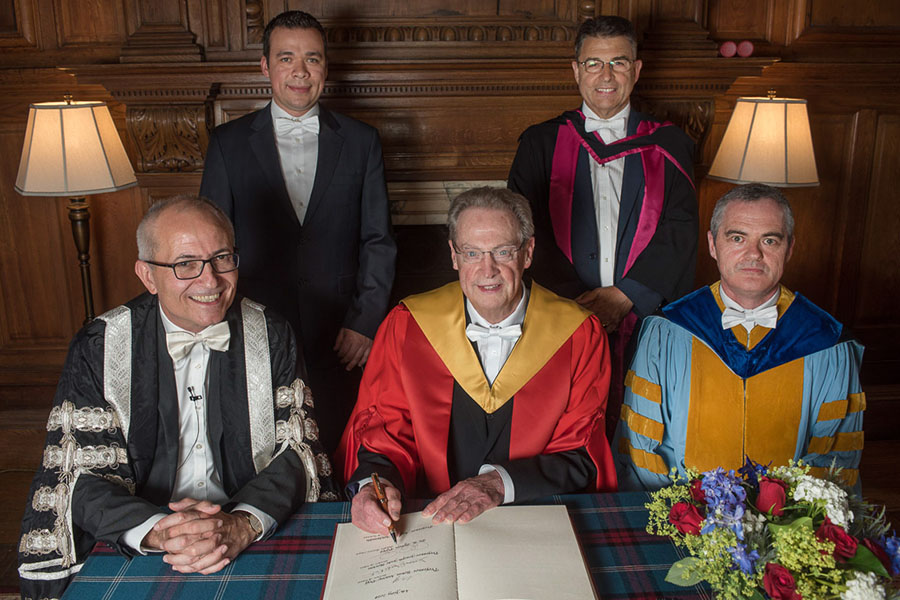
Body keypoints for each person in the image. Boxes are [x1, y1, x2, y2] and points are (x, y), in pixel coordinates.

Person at [18, 196, 337, 600]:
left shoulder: (270, 334)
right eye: (185, 264)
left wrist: (240, 524)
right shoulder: (100, 346)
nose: (211, 281)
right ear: (147, 276)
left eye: (222, 258)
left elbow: (297, 452)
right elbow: (80, 476)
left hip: (248, 530)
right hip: (143, 539)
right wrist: (161, 532)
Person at [337, 187, 617, 534]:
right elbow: (384, 434)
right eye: (472, 253)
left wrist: (497, 484)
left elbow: (580, 452)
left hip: (534, 521)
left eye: (502, 251)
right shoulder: (407, 325)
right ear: (454, 256)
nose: (488, 270)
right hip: (427, 525)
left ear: (527, 252)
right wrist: (371, 487)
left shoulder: (579, 334)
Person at [200, 10, 397, 454]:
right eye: (286, 58)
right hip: (255, 330)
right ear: (265, 66)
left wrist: (364, 324)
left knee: (339, 448)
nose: (300, 71)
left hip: (340, 335)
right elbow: (212, 248)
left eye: (312, 58)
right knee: (265, 452)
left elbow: (378, 240)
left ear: (326, 67)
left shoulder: (362, 140)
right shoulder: (227, 144)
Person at [507, 15, 698, 438]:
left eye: (619, 62)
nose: (606, 75)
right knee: (564, 426)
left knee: (647, 427)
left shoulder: (669, 143)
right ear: (576, 70)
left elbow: (680, 230)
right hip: (562, 314)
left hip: (647, 316)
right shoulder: (540, 143)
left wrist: (626, 296)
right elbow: (521, 233)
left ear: (637, 69)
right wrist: (577, 302)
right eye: (593, 63)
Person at [614, 183, 865, 490]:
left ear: (790, 248)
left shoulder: (828, 344)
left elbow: (836, 460)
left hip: (785, 527)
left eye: (770, 240)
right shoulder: (666, 332)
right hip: (682, 524)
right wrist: (680, 520)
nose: (753, 254)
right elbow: (641, 448)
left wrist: (786, 524)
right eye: (737, 238)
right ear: (712, 244)